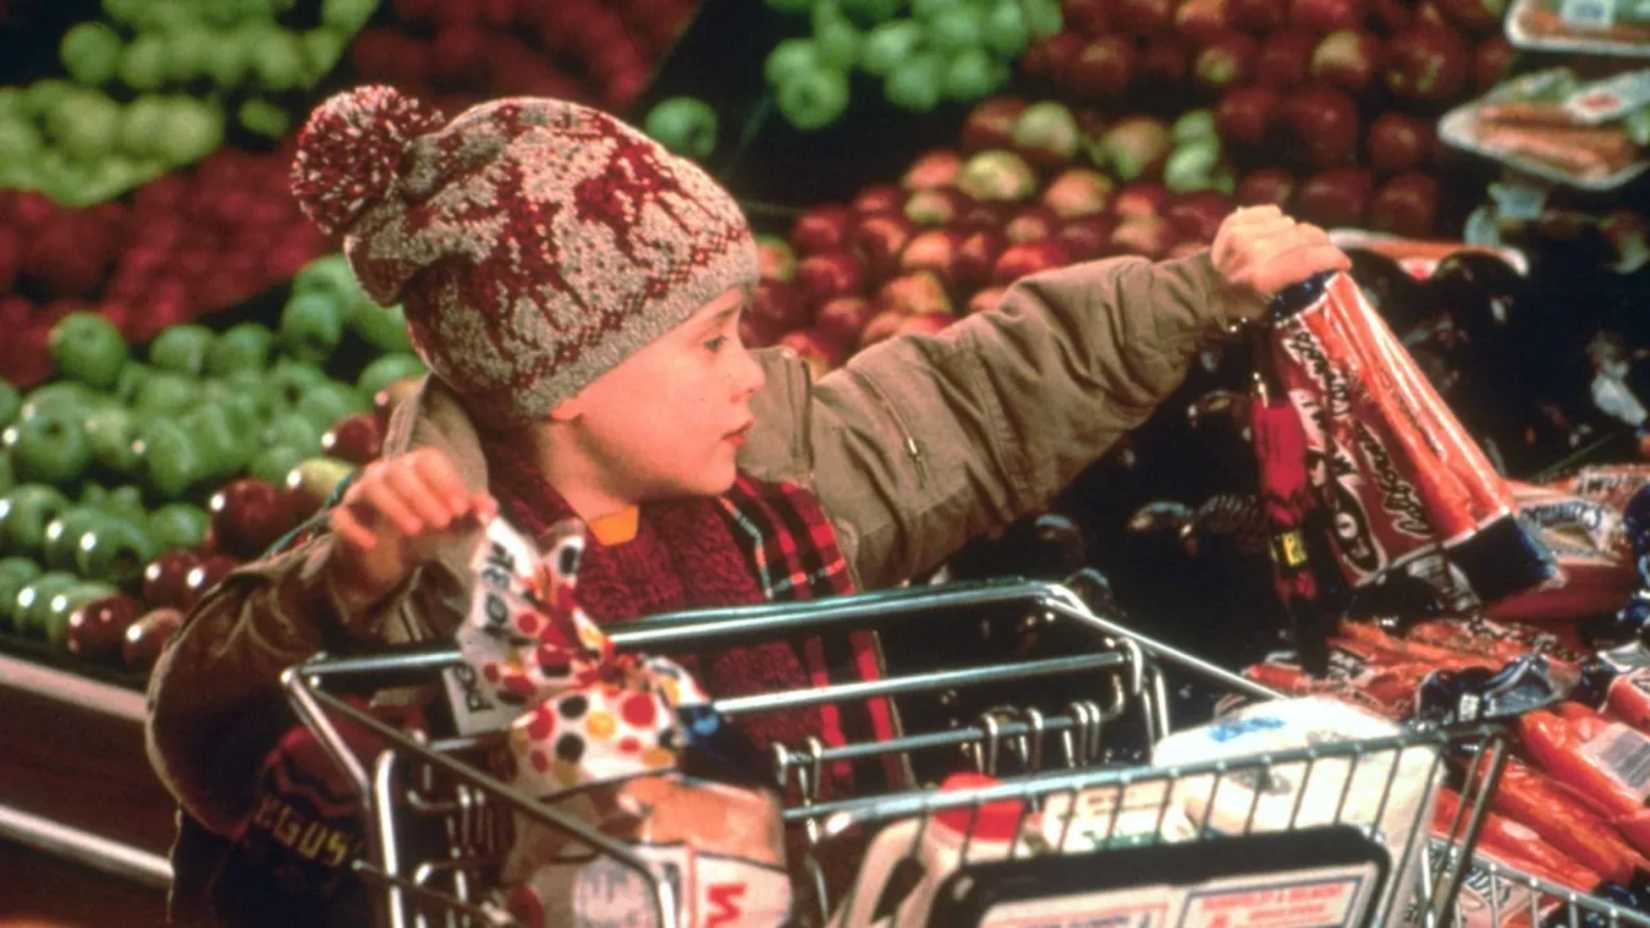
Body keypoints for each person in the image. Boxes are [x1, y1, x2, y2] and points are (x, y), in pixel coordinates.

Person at [144, 85, 1348, 924]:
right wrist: (335, 595)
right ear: (564, 380)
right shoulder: (434, 561)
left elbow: (982, 401)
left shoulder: (779, 471)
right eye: (713, 339)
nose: (747, 371)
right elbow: (208, 738)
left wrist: (1199, 293)